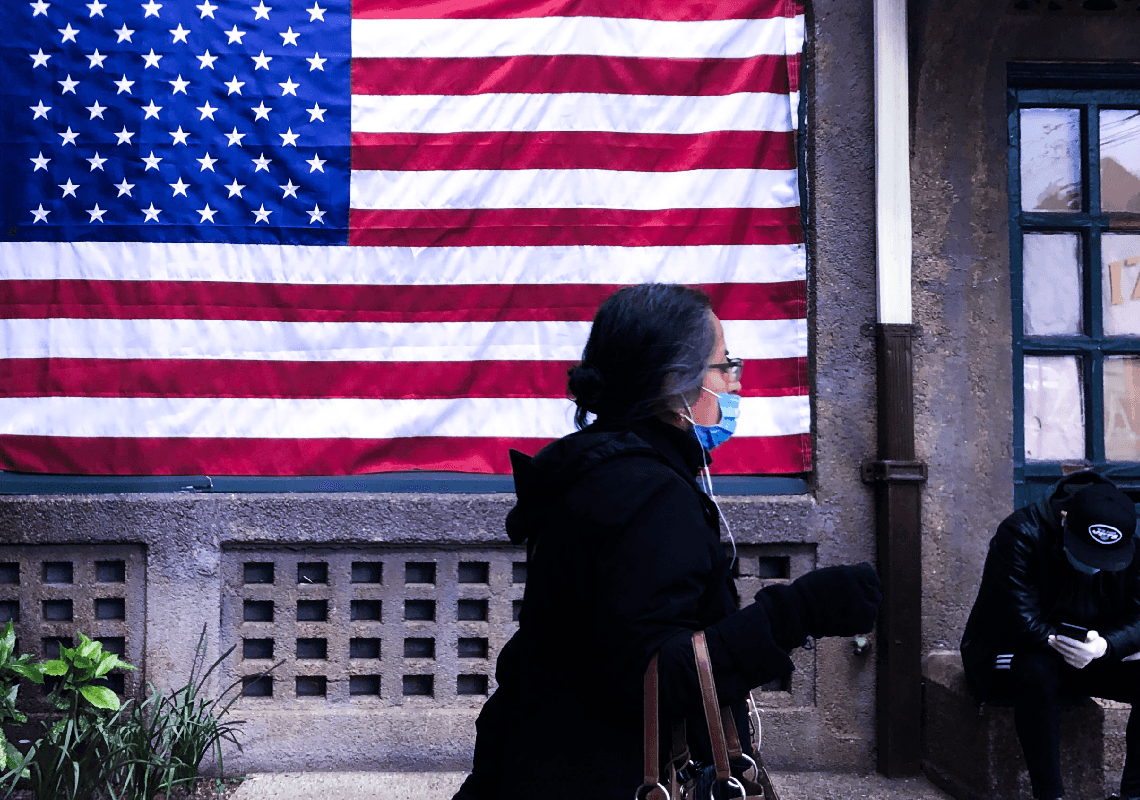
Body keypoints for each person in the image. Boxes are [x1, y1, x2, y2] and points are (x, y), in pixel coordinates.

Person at [452, 283, 881, 800]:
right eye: (724, 366)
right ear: (677, 384)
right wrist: (799, 610)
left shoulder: (606, 469)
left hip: (540, 762)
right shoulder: (644, 492)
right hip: (599, 778)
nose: (736, 383)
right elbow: (650, 676)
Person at [961, 472, 1140, 800]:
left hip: (1089, 654)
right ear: (1064, 518)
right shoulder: (1020, 534)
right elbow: (1021, 622)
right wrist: (1067, 644)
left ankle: (1133, 794)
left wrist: (1106, 645)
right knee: (1038, 671)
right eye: (1084, 553)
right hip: (1013, 653)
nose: (1093, 566)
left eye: (1104, 560)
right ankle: (1050, 795)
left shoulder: (1130, 538)